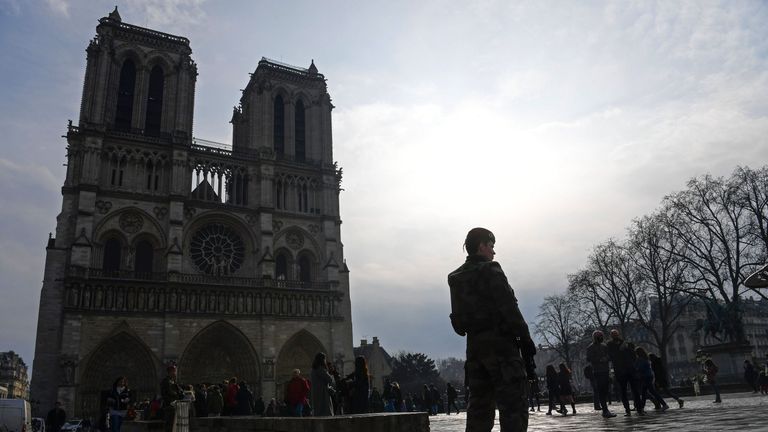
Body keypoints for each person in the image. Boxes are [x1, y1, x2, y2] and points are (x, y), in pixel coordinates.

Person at [448, 227, 535, 432]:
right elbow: (509, 308)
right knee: (513, 406)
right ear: (481, 246)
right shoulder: (491, 270)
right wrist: (526, 339)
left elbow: (459, 326)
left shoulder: (455, 277)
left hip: (475, 351)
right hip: (502, 348)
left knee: (479, 410)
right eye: (491, 246)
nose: (493, 252)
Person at [606, 329, 643, 416]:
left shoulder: (625, 343)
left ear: (618, 334)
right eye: (613, 334)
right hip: (620, 371)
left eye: (616, 334)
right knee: (623, 391)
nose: (615, 336)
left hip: (629, 369)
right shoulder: (610, 345)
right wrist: (620, 350)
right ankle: (627, 410)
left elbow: (633, 355)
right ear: (611, 336)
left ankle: (639, 408)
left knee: (635, 390)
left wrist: (628, 351)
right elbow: (611, 356)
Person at [586, 330, 616, 418]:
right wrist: (599, 360)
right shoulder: (590, 347)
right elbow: (589, 358)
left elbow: (610, 356)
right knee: (601, 391)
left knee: (606, 390)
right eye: (599, 336)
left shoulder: (604, 346)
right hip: (598, 371)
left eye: (601, 336)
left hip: (606, 370)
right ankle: (605, 410)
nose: (601, 337)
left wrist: (606, 358)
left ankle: (605, 409)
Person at [634, 346, 668, 412]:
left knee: (649, 392)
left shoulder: (640, 359)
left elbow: (639, 368)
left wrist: (636, 369)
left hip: (645, 377)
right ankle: (642, 408)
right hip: (649, 376)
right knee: (645, 393)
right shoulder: (645, 358)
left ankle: (664, 404)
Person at [160, 365, 183, 432]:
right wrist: (174, 396)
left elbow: (180, 392)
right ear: (171, 372)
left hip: (175, 405)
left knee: (174, 425)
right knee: (170, 425)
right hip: (169, 406)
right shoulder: (166, 381)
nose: (175, 373)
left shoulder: (173, 381)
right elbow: (165, 394)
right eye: (175, 371)